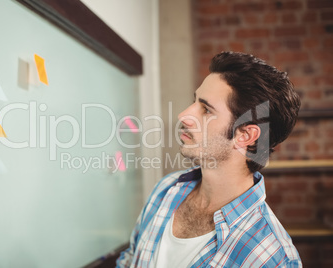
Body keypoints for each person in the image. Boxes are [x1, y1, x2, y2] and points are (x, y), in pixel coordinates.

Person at [116, 51, 302, 268]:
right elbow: (129, 261)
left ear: (245, 136)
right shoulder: (167, 189)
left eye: (206, 109)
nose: (184, 115)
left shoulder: (272, 258)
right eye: (194, 101)